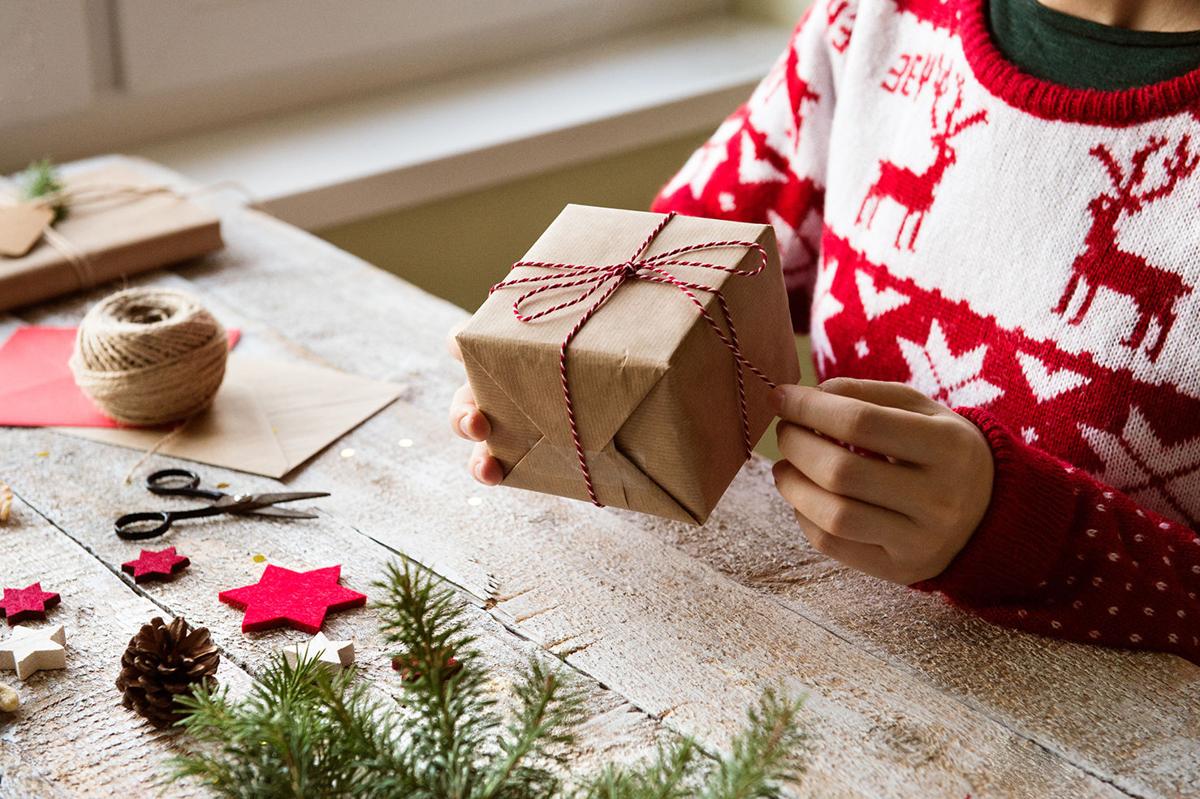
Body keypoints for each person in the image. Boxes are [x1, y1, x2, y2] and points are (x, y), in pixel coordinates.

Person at [450, 0, 1200, 662]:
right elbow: (675, 269)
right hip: (823, 660)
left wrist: (1027, 535)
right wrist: (561, 364)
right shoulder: (876, 20)